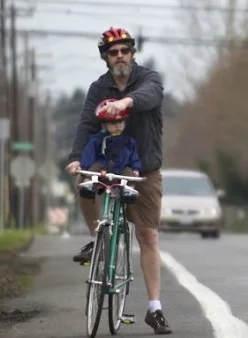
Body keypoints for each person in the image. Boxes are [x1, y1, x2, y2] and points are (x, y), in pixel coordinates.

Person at [65, 26, 171, 335]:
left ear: (133, 53)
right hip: (106, 167)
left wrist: (125, 103)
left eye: (125, 50)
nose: (120, 56)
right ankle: (97, 237)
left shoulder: (148, 79)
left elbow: (149, 97)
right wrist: (75, 158)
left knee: (147, 236)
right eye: (113, 52)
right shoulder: (99, 88)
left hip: (142, 170)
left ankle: (155, 309)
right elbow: (86, 123)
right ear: (106, 58)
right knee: (83, 185)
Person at [79, 98, 142, 181]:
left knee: (129, 173)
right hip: (102, 168)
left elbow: (134, 156)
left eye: (120, 122)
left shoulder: (129, 141)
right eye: (113, 123)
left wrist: (135, 168)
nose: (117, 126)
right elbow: (89, 153)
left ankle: (128, 190)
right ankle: (89, 185)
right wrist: (85, 168)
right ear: (105, 125)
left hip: (121, 168)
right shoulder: (98, 140)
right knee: (93, 169)